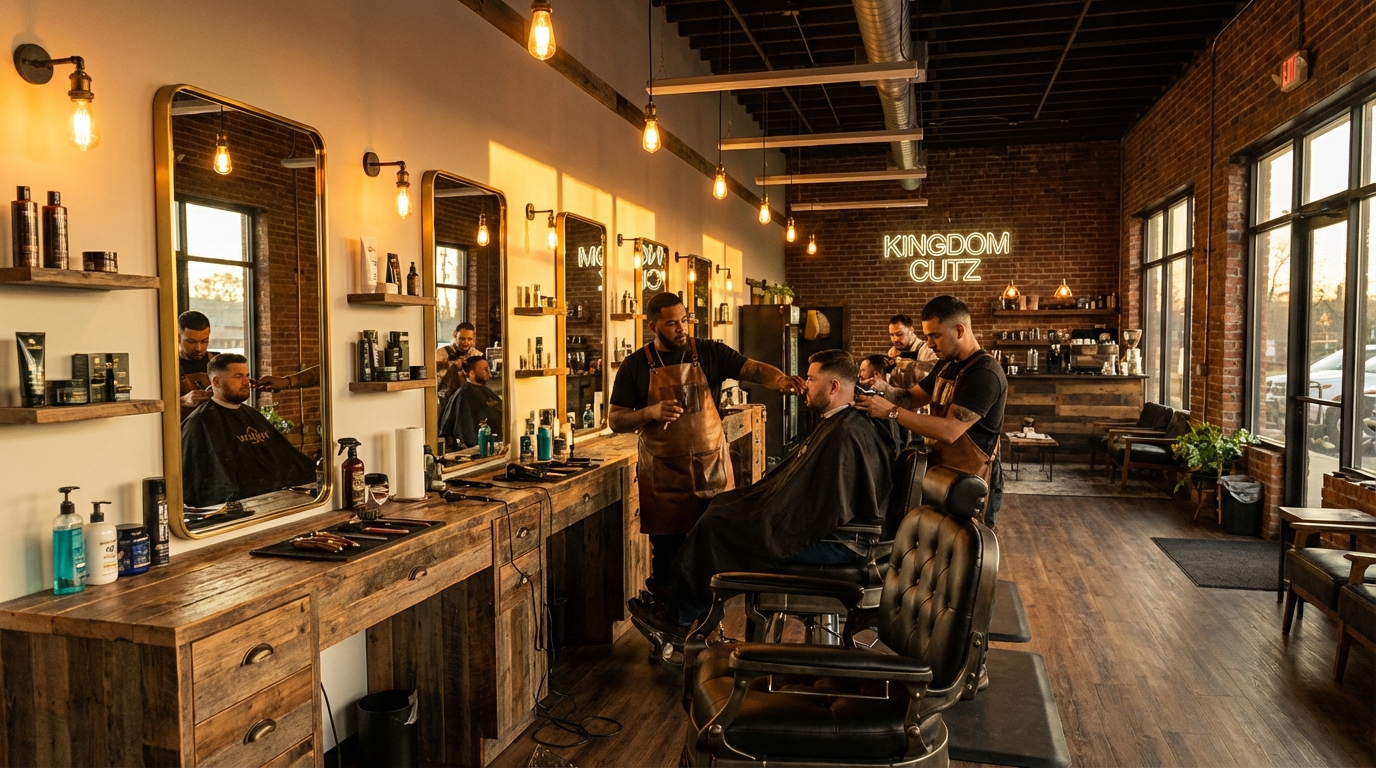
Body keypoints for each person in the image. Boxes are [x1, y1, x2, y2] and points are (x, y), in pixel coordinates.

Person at [628, 349, 897, 632]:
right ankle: (686, 597)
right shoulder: (841, 423)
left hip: (838, 543)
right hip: (834, 533)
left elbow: (824, 506)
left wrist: (769, 515)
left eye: (811, 378)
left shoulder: (847, 432)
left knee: (719, 527)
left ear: (834, 386)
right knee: (718, 509)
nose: (805, 384)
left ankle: (680, 617)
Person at [609, 292, 804, 600]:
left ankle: (709, 625)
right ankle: (667, 629)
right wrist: (651, 412)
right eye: (671, 323)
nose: (681, 328)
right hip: (664, 480)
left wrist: (780, 381)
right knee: (669, 562)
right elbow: (616, 420)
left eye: (684, 320)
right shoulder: (635, 366)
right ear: (652, 328)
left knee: (712, 555)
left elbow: (752, 369)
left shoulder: (710, 352)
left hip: (711, 472)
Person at [858, 295, 1008, 525]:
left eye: (934, 335)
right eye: (927, 336)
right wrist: (882, 389)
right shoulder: (947, 363)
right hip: (942, 474)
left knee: (967, 552)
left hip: (973, 482)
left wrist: (891, 412)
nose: (928, 344)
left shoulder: (984, 373)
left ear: (959, 330)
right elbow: (911, 398)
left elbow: (950, 431)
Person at [180, 353, 317, 508]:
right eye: (238, 377)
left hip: (276, 501)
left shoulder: (252, 415)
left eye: (247, 376)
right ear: (216, 382)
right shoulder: (200, 421)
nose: (246, 382)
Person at [176, 309, 318, 419]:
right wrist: (182, 401)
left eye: (204, 341)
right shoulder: (166, 367)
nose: (199, 348)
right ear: (178, 337)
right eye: (191, 342)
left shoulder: (219, 362)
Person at [438, 356, 503, 448]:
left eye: (488, 368)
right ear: (472, 373)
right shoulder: (464, 395)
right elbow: (466, 431)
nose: (489, 371)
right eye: (485, 369)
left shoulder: (485, 391)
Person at [436, 322, 481, 400]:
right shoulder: (440, 354)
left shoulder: (477, 356)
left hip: (469, 398)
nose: (466, 342)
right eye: (462, 338)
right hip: (443, 398)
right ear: (455, 335)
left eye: (469, 339)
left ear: (474, 339)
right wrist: (448, 364)